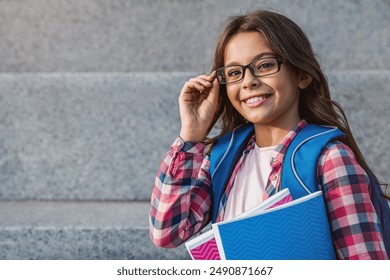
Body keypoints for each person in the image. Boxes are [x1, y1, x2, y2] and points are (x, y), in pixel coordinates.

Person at [149, 9, 388, 259]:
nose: (248, 81)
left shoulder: (330, 160)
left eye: (264, 65)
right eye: (233, 73)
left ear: (302, 75)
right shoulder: (223, 158)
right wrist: (191, 135)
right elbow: (167, 232)